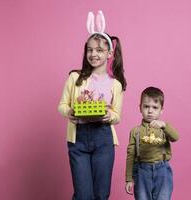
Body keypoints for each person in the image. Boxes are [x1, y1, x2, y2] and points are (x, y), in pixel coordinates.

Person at [58, 11, 126, 200]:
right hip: (78, 138)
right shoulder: (75, 77)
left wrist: (108, 116)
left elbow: (117, 115)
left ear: (109, 53)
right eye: (90, 49)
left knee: (101, 194)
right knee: (83, 195)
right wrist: (70, 111)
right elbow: (62, 105)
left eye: (99, 50)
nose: (93, 54)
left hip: (103, 138)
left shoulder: (116, 84)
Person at [125, 87, 179, 200]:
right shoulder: (136, 131)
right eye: (146, 107)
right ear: (140, 108)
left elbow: (175, 137)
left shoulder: (164, 128)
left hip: (162, 170)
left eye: (155, 108)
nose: (150, 111)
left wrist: (164, 125)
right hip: (141, 171)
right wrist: (129, 179)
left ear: (161, 110)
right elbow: (130, 156)